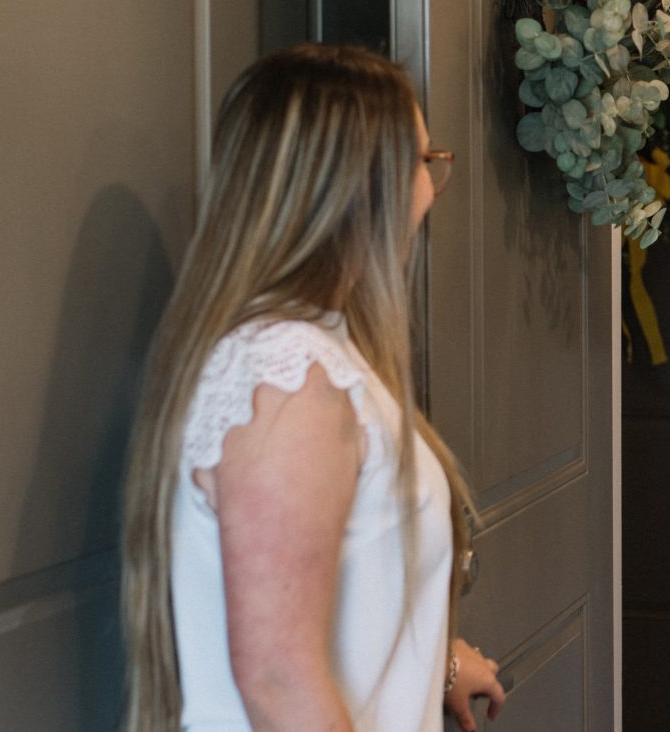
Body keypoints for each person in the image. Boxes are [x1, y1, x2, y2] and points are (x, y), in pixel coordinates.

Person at [121, 43, 506, 731]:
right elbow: (277, 680)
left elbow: (330, 596)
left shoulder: (312, 351)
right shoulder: (288, 372)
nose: (430, 186)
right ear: (364, 185)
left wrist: (433, 662)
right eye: (422, 161)